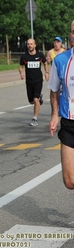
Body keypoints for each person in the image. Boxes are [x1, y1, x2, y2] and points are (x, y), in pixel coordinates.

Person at [48, 20, 74, 189]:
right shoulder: (60, 60)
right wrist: (54, 115)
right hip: (69, 123)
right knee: (70, 181)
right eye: (73, 31)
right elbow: (54, 90)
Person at [19, 38, 49, 126]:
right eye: (28, 44)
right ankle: (39, 96)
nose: (30, 45)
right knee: (31, 101)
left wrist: (46, 72)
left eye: (31, 44)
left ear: (35, 45)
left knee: (36, 100)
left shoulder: (40, 55)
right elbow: (20, 66)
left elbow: (45, 63)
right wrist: (21, 72)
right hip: (29, 81)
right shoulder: (24, 57)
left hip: (38, 80)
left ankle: (35, 119)